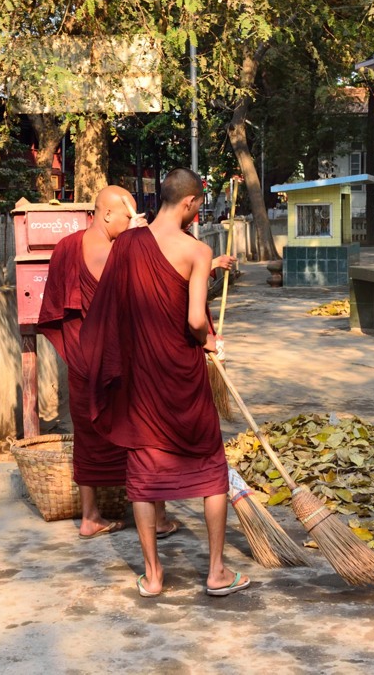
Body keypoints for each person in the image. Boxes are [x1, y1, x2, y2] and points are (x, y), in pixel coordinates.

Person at [82, 168, 249, 597]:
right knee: (211, 467)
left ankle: (154, 577)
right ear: (191, 204)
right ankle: (215, 573)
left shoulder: (128, 245)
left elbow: (110, 308)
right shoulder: (196, 250)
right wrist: (208, 341)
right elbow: (195, 319)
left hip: (140, 376)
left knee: (143, 470)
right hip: (183, 374)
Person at [38, 185, 179, 540]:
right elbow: (148, 293)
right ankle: (158, 519)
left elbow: (58, 311)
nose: (133, 221)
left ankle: (91, 517)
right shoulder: (122, 252)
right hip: (122, 363)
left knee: (88, 435)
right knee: (146, 435)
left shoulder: (68, 247)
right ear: (105, 214)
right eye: (128, 215)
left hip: (83, 361)